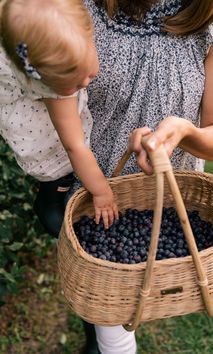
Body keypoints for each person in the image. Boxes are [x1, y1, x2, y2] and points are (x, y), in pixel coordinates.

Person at [68, 0, 213, 353]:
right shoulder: (81, 7)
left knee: (131, 293)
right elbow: (54, 90)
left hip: (170, 199)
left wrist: (186, 132)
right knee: (104, 294)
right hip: (98, 189)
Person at [0, 0, 118, 353]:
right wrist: (101, 193)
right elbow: (75, 147)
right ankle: (57, 200)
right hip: (54, 156)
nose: (86, 82)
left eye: (87, 73)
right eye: (77, 82)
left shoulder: (44, 28)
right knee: (60, 203)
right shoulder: (47, 77)